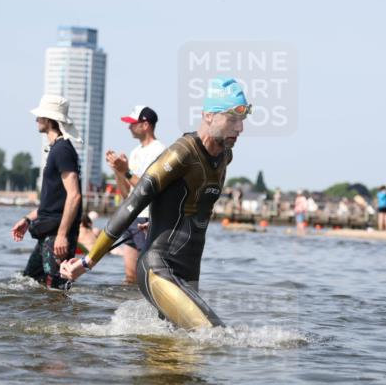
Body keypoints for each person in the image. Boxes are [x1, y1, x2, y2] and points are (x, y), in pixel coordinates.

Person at [61, 77, 248, 329]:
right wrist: (88, 261)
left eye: (242, 121)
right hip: (158, 268)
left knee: (178, 356)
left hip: (189, 271)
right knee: (215, 336)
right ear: (208, 116)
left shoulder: (225, 155)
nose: (240, 129)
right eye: (232, 119)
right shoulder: (181, 153)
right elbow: (133, 203)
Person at [11, 95, 82, 289]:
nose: (36, 120)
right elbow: (52, 201)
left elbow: (74, 195)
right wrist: (27, 220)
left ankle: (59, 320)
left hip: (56, 235)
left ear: (49, 120)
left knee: (56, 289)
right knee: (30, 281)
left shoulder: (62, 150)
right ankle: (39, 318)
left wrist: (62, 235)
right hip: (47, 231)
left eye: (40, 116)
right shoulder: (56, 150)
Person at [105, 106, 166, 282]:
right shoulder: (135, 152)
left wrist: (127, 171)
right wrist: (118, 171)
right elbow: (127, 195)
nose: (129, 127)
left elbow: (150, 188)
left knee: (147, 276)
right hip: (132, 216)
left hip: (148, 218)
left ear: (145, 124)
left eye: (133, 123)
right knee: (130, 276)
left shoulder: (159, 150)